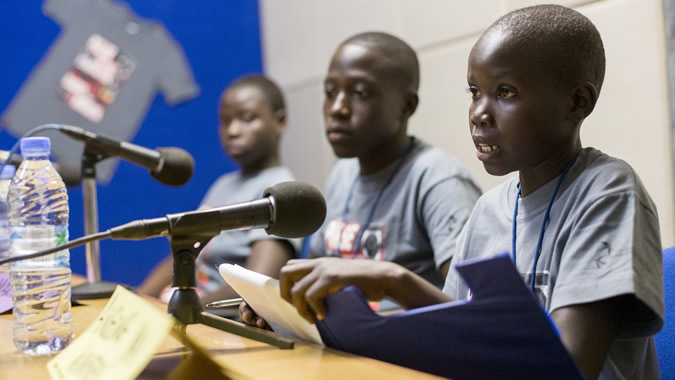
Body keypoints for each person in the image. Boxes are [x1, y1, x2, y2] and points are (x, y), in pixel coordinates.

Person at [242, 5, 664, 380]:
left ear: (577, 102)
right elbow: (460, 335)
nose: (480, 113)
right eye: (475, 92)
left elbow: (569, 364)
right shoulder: (490, 209)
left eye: (505, 92)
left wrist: (393, 279)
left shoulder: (607, 190)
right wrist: (296, 313)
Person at [310, 31, 482, 291]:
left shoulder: (438, 180)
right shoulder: (342, 174)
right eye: (330, 92)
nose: (337, 108)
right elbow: (313, 273)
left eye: (359, 93)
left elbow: (472, 300)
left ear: (406, 106)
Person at [139, 74, 301, 305]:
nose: (232, 130)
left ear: (279, 121)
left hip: (214, 320)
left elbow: (255, 286)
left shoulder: (284, 192)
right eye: (225, 121)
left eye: (247, 118)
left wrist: (181, 312)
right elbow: (185, 256)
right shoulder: (223, 184)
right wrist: (139, 299)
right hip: (180, 306)